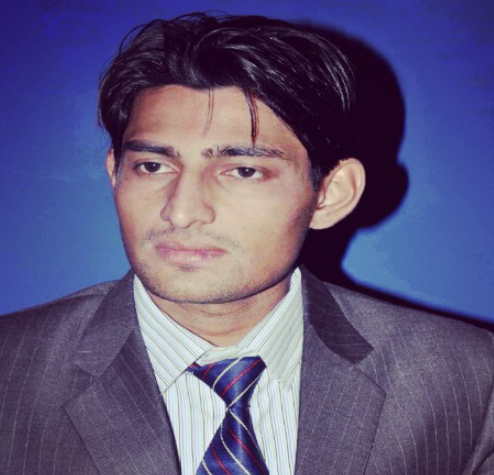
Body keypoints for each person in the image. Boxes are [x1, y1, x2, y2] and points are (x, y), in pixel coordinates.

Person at [0, 12, 493, 475]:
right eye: (152, 166)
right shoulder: (10, 368)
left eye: (242, 170)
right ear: (115, 174)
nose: (182, 211)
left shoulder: (466, 378)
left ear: (329, 195)